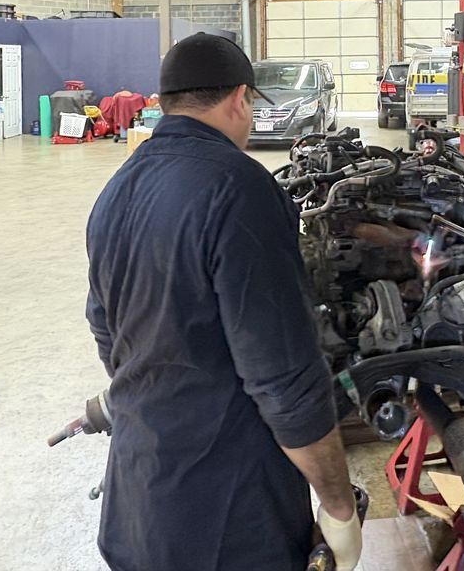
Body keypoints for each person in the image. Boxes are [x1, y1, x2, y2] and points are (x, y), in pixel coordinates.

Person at [85, 33, 362, 571]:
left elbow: (106, 330)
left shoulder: (115, 190)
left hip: (137, 497)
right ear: (240, 99)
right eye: (252, 106)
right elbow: (283, 380)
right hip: (228, 521)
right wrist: (339, 507)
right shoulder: (242, 188)